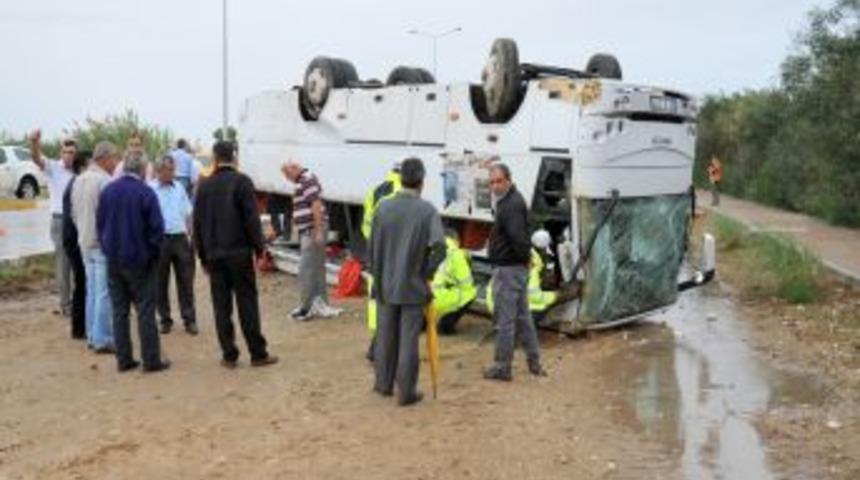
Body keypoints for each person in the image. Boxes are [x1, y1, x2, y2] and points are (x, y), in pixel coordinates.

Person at [193, 141, 278, 368]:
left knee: (221, 306)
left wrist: (202, 256)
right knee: (247, 303)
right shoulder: (242, 182)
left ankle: (229, 355)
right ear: (234, 157)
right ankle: (257, 354)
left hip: (214, 255)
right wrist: (259, 249)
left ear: (215, 158)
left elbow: (197, 224)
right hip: (239, 253)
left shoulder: (204, 186)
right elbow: (251, 220)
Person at [369, 157, 446, 406]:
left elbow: (372, 248)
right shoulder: (427, 210)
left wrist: (377, 280)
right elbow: (440, 248)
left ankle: (383, 385)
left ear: (400, 179)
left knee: (385, 337)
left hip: (384, 284)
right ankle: (407, 392)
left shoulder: (382, 207)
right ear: (422, 182)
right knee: (408, 341)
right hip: (412, 287)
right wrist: (426, 274)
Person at [98, 150, 171, 373]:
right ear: (142, 169)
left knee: (119, 311)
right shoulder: (145, 193)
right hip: (140, 261)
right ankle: (151, 360)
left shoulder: (108, 191)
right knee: (145, 310)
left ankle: (124, 359)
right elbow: (157, 229)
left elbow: (100, 225)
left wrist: (108, 249)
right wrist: (152, 254)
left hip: (114, 260)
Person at [483, 163, 546, 381]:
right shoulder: (511, 200)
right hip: (515, 267)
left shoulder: (510, 205)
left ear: (508, 179)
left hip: (509, 269)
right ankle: (534, 362)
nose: (495, 186)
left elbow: (519, 239)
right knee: (523, 318)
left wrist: (523, 259)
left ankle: (502, 367)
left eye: (499, 181)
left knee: (505, 320)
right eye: (491, 182)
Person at [71, 141, 120, 353]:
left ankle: (92, 335)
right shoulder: (105, 181)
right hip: (101, 243)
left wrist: (84, 231)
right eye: (114, 158)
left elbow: (73, 213)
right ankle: (103, 339)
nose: (116, 162)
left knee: (91, 291)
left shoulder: (78, 179)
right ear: (105, 158)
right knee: (103, 293)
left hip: (83, 240)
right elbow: (110, 217)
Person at [281, 161, 337, 321]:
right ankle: (319, 302)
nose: (287, 179)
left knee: (306, 268)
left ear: (294, 169)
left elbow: (316, 204)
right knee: (316, 267)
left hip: (312, 229)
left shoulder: (306, 180)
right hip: (309, 229)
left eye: (286, 174)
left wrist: (318, 230)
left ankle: (306, 307)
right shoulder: (305, 180)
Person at [28, 130, 75, 317]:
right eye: (66, 151)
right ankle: (65, 304)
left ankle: (79, 301)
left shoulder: (79, 170)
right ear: (60, 153)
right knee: (63, 264)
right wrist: (34, 142)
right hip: (60, 220)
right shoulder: (53, 167)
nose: (69, 155)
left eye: (72, 152)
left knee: (78, 262)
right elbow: (36, 158)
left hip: (77, 220)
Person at [150, 154, 198, 335]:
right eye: (168, 170)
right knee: (160, 282)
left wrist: (191, 233)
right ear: (158, 170)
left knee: (186, 280)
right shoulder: (150, 189)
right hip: (160, 239)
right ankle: (165, 319)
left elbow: (188, 212)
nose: (172, 173)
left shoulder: (179, 187)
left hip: (179, 238)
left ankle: (189, 319)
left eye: (173, 169)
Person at [361, 165, 402, 360]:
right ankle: (378, 350)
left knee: (377, 301)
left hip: (375, 253)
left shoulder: (375, 191)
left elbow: (366, 225)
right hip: (392, 256)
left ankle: (376, 346)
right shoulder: (402, 192)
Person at [485, 229, 561, 326]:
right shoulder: (532, 266)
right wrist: (556, 296)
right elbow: (534, 296)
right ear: (544, 249)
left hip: (494, 304)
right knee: (541, 307)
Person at [61, 150, 92, 340]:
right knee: (82, 283)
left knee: (82, 283)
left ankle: (80, 327)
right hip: (75, 240)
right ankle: (79, 328)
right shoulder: (77, 184)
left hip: (73, 239)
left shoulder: (75, 183)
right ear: (83, 166)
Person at [432, 229, 478, 335]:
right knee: (470, 293)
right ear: (456, 240)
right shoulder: (456, 253)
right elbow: (467, 283)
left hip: (421, 297)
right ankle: (446, 326)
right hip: (439, 299)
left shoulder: (429, 247)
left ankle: (423, 323)